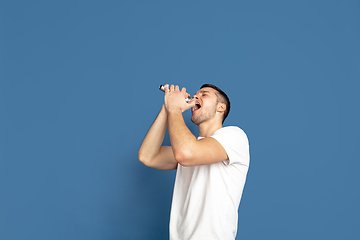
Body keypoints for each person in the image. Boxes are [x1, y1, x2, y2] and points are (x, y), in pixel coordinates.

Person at [138, 84, 250, 240]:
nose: (196, 96)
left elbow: (186, 153)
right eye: (196, 94)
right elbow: (147, 156)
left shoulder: (234, 136)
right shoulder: (188, 146)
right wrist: (167, 106)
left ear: (220, 107)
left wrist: (175, 109)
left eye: (204, 94)